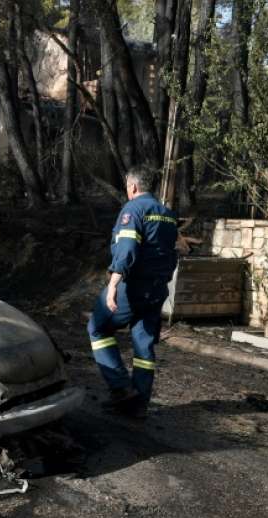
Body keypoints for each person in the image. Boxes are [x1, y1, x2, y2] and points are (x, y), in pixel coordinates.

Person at [87, 165, 178, 419]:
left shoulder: (133, 210)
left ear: (133, 186)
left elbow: (127, 250)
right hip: (157, 289)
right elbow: (172, 253)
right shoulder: (168, 214)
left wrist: (113, 285)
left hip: (133, 287)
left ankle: (120, 388)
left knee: (97, 327)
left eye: (127, 185)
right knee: (143, 345)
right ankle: (138, 405)